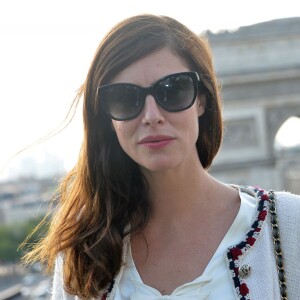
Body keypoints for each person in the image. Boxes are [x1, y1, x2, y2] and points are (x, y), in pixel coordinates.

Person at [24, 14, 300, 299]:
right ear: (106, 116)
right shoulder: (84, 251)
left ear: (202, 99)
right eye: (125, 98)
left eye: (174, 90)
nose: (152, 116)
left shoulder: (290, 225)